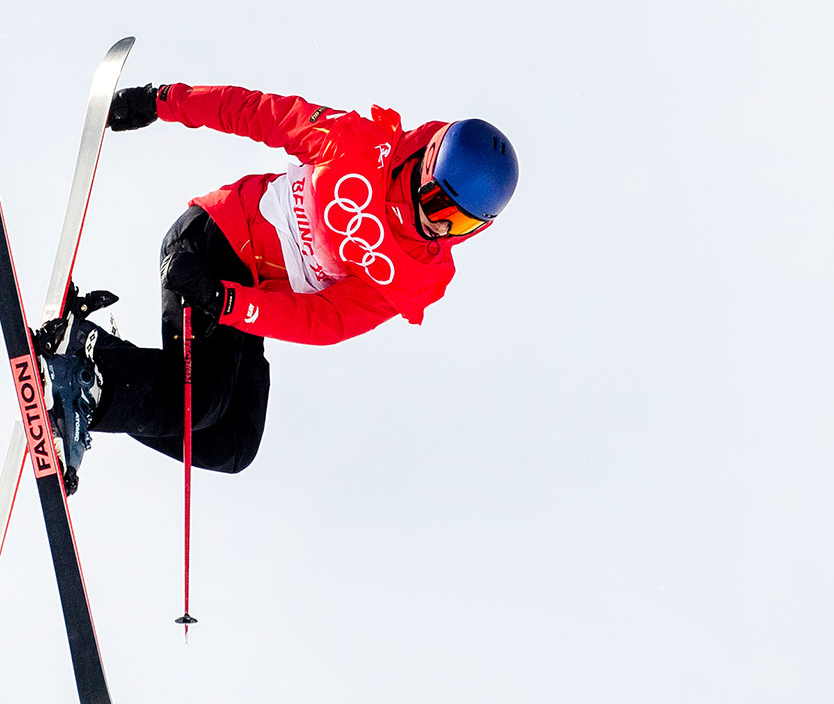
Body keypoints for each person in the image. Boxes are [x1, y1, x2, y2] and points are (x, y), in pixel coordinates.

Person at [36, 82, 518, 491]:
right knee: (199, 400)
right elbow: (255, 113)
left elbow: (326, 319)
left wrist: (228, 301)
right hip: (211, 240)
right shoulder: (358, 144)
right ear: (428, 160)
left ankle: (90, 385)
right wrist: (161, 100)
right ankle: (81, 367)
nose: (434, 222)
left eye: (456, 223)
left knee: (232, 444)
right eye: (435, 200)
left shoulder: (416, 277)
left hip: (238, 295)